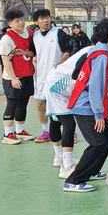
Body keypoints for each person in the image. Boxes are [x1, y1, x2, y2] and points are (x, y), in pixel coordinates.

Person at [63, 18, 108, 192]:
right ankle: (73, 181)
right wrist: (98, 113)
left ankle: (93, 170)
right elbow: (95, 86)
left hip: (90, 103)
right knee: (97, 143)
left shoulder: (105, 53)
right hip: (85, 105)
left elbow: (105, 82)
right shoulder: (102, 56)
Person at [46, 45, 91, 178]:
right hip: (59, 84)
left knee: (56, 120)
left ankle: (59, 157)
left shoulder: (91, 49)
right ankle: (66, 165)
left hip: (59, 78)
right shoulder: (93, 52)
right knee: (68, 123)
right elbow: (77, 72)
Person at [31, 9, 73, 142]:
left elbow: (68, 51)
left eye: (47, 17)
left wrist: (58, 65)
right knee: (40, 104)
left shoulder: (58, 33)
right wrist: (23, 53)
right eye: (42, 18)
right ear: (36, 22)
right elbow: (33, 53)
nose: (46, 20)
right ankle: (46, 132)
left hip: (57, 77)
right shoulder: (35, 36)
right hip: (41, 77)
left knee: (61, 106)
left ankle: (70, 132)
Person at [0, 10, 36, 144]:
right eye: (17, 21)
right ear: (10, 24)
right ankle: (7, 134)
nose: (21, 23)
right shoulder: (6, 39)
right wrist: (14, 78)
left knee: (23, 103)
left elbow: (32, 53)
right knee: (12, 104)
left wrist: (24, 52)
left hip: (27, 74)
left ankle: (19, 131)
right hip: (13, 77)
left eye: (22, 19)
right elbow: (5, 60)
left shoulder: (30, 34)